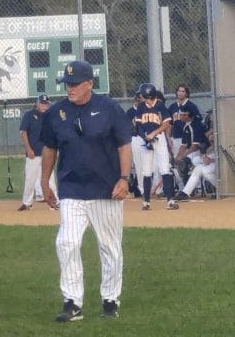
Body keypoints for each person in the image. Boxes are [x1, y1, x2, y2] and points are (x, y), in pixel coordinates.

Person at [40, 60, 132, 322]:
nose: (69, 88)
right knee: (66, 242)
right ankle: (72, 303)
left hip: (106, 190)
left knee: (110, 247)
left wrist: (124, 178)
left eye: (74, 84)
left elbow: (124, 144)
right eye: (66, 84)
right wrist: (45, 182)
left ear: (89, 83)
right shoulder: (56, 113)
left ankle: (110, 300)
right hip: (71, 189)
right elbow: (49, 148)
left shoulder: (109, 108)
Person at [134, 83, 177, 210]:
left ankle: (170, 201)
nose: (140, 96)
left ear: (148, 95)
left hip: (159, 139)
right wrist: (146, 137)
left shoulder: (160, 106)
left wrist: (154, 134)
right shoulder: (141, 107)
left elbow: (166, 124)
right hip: (146, 140)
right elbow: (138, 126)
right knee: (146, 171)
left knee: (165, 168)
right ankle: (146, 202)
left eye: (142, 94)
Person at [18, 94, 58, 211]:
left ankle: (54, 202)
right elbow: (23, 132)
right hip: (33, 153)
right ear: (37, 103)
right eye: (42, 103)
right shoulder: (29, 115)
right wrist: (28, 149)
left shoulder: (50, 116)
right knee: (30, 178)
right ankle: (27, 203)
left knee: (50, 179)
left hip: (48, 153)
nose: (44, 106)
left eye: (46, 104)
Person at [174, 114, 216, 201]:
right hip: (212, 158)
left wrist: (211, 160)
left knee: (204, 170)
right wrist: (204, 156)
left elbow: (222, 155)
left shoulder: (222, 133)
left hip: (219, 160)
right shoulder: (210, 131)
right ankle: (186, 192)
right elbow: (207, 145)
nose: (212, 121)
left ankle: (221, 189)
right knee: (197, 166)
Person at [168, 83, 201, 188]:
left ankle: (196, 187)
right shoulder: (172, 107)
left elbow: (197, 120)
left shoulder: (191, 106)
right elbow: (169, 124)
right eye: (179, 91)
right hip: (177, 137)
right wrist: (169, 138)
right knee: (177, 163)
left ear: (186, 93)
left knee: (190, 163)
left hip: (190, 138)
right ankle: (182, 187)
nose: (181, 93)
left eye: (183, 91)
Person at [126, 91, 145, 198]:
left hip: (145, 139)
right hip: (134, 139)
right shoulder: (130, 112)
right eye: (141, 98)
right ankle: (133, 188)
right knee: (133, 165)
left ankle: (139, 188)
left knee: (142, 165)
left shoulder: (146, 110)